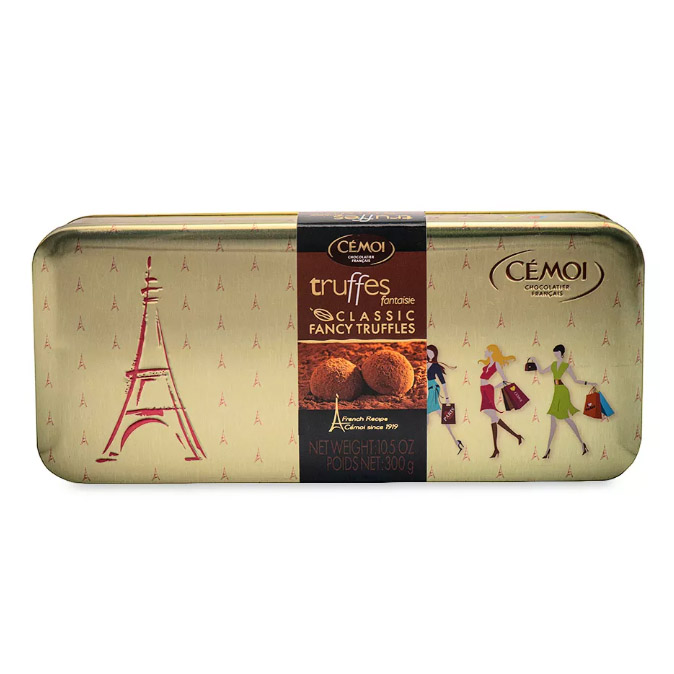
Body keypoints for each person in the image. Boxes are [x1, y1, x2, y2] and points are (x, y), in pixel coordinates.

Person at [529, 344, 598, 458]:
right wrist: (535, 361)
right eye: (554, 353)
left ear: (561, 353)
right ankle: (550, 449)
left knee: (565, 419)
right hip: (557, 393)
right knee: (555, 421)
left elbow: (576, 380)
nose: (555, 354)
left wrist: (590, 383)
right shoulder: (553, 364)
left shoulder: (566, 366)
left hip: (563, 393)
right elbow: (541, 371)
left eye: (557, 352)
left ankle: (581, 443)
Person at [479, 344, 524, 458]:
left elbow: (505, 380)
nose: (485, 352)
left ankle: (500, 446)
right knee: (493, 418)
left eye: (487, 350)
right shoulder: (488, 365)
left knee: (492, 416)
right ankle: (501, 446)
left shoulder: (496, 364)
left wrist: (494, 387)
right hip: (483, 390)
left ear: (492, 352)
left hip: (488, 390)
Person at [427, 345, 464, 453]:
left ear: (435, 354)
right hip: (427, 389)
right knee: (438, 414)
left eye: (431, 352)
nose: (429, 354)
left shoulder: (435, 366)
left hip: (433, 389)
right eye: (427, 352)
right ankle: (456, 441)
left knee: (430, 415)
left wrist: (447, 397)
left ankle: (455, 441)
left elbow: (443, 382)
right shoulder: (425, 364)